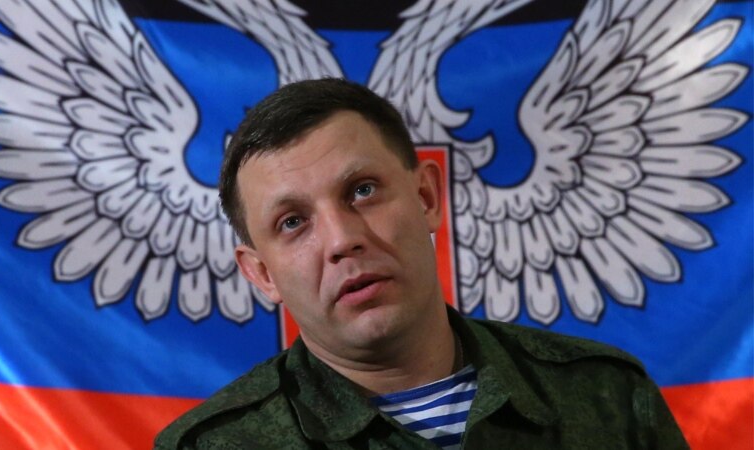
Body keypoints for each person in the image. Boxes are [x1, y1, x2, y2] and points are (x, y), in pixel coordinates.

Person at [155, 78, 688, 449]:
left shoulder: (608, 398)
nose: (342, 239)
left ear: (427, 197)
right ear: (262, 273)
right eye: (293, 221)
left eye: (362, 190)